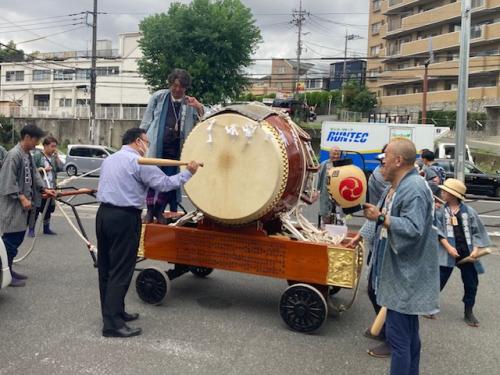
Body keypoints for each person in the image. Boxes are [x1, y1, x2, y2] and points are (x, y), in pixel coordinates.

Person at [96, 128, 199, 338]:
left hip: (104, 215)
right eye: (146, 142)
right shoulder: (139, 162)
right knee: (121, 269)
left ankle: (114, 312)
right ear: (137, 141)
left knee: (107, 268)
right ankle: (112, 325)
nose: (147, 146)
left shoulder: (111, 159)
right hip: (124, 218)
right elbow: (164, 184)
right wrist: (189, 172)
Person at [354, 138, 439, 375]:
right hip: (403, 275)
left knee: (399, 339)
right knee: (409, 337)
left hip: (406, 277)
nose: (382, 162)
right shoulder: (404, 185)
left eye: (386, 157)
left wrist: (381, 218)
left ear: (398, 160)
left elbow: (413, 228)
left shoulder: (412, 188)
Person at [140, 68, 204, 224]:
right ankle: (149, 212)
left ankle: (159, 211)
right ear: (170, 84)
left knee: (168, 183)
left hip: (176, 151)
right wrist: (140, 141)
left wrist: (198, 106)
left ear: (185, 88)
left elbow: (203, 119)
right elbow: (147, 121)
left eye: (181, 86)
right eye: (174, 85)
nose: (177, 89)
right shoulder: (158, 97)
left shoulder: (189, 103)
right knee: (152, 181)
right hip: (156, 147)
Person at [0, 125, 56, 287]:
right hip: (13, 206)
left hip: (24, 207)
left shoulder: (27, 155)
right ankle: (6, 273)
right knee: (11, 240)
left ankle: (9, 270)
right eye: (36, 140)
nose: (37, 143)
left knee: (16, 239)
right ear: (27, 138)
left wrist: (44, 188)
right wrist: (21, 197)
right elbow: (6, 181)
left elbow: (34, 175)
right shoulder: (13, 155)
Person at [435, 178, 492, 327]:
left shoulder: (469, 212)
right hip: (447, 251)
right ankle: (430, 306)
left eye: (445, 191)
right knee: (438, 280)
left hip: (467, 253)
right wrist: (448, 247)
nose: (442, 192)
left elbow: (477, 232)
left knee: (471, 283)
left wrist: (476, 250)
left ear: (453, 195)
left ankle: (469, 311)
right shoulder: (440, 210)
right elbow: (437, 230)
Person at [28, 136, 64, 237]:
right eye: (52, 146)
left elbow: (61, 168)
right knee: (35, 209)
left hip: (51, 187)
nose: (54, 149)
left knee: (48, 208)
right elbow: (31, 170)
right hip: (39, 188)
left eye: (55, 147)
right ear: (45, 146)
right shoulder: (37, 156)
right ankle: (31, 229)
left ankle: (46, 228)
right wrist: (42, 169)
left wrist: (57, 158)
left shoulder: (53, 157)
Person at [317, 145, 344, 227]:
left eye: (337, 154)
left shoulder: (343, 165)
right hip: (326, 194)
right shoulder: (324, 164)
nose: (335, 156)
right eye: (333, 154)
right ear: (329, 154)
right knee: (326, 217)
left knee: (339, 218)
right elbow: (319, 178)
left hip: (339, 195)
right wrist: (317, 191)